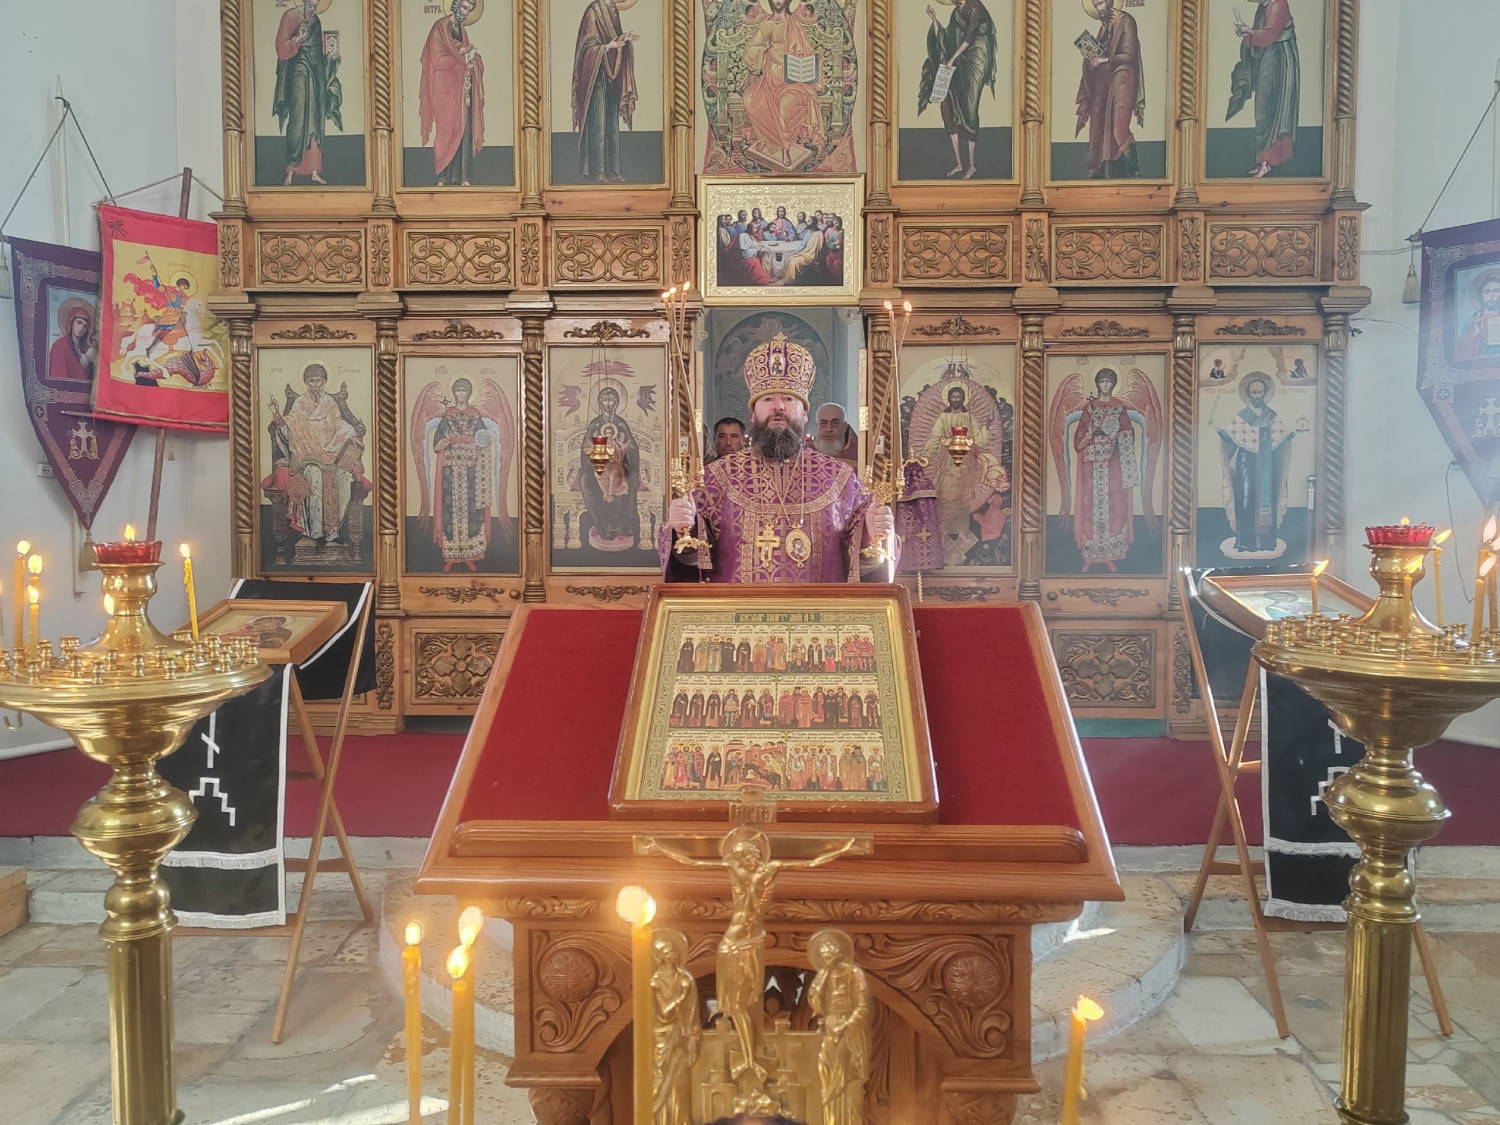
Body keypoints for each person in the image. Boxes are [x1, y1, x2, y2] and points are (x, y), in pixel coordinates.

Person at [661, 335, 894, 582]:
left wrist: (872, 533)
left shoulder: (842, 478)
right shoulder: (716, 477)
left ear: (805, 414)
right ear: (753, 414)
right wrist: (683, 527)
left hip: (819, 606)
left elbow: (865, 564)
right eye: (768, 399)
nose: (779, 406)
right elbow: (692, 562)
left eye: (789, 399)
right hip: (739, 606)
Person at [264, 364, 369, 549]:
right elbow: (289, 430)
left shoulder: (330, 402)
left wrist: (351, 434)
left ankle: (333, 531)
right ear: (306, 383)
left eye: (319, 381)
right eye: (311, 381)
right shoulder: (299, 404)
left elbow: (340, 423)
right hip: (307, 457)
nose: (315, 385)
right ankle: (315, 532)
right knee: (314, 476)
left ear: (325, 382)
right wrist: (276, 414)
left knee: (344, 478)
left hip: (332, 455)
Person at [414, 376, 508, 571]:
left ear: (469, 393)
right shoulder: (448, 415)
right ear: (454, 393)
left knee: (471, 510)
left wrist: (477, 444)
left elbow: (483, 439)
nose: (461, 394)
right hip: (450, 468)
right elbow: (437, 443)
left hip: (472, 468)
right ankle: (452, 556)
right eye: (458, 390)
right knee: (450, 510)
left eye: (464, 390)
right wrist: (446, 441)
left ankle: (469, 555)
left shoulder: (475, 415)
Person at [1063, 368, 1151, 571]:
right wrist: (1090, 434)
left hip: (1113, 466)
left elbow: (1129, 433)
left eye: (1108, 381)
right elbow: (1078, 441)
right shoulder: (1089, 408)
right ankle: (1090, 556)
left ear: (1113, 384)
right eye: (1102, 381)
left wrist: (1116, 436)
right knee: (1090, 510)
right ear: (1097, 384)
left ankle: (1110, 555)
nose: (1105, 385)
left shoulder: (1119, 408)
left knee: (1114, 508)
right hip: (1091, 468)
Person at [1216, 372, 1297, 554]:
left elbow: (1281, 436)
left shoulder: (1272, 416)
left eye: (1260, 392)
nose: (1257, 396)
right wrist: (1220, 432)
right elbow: (1231, 435)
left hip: (1267, 462)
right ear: (1248, 394)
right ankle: (1245, 542)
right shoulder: (1241, 416)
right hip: (1246, 461)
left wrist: (1291, 434)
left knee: (1267, 499)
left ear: (1265, 393)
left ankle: (1266, 542)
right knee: (1245, 498)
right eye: (1254, 392)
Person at [740, 0, 826, 171]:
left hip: (793, 80)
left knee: (785, 106)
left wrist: (815, 57)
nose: (778, 1)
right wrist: (764, 49)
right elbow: (749, 50)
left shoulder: (794, 24)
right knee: (750, 99)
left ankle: (785, 148)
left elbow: (807, 50)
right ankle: (765, 139)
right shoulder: (766, 25)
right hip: (769, 79)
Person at [919, 0, 998, 179]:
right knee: (951, 104)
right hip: (958, 60)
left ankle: (972, 166)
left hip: (977, 57)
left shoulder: (975, 8)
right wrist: (934, 20)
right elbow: (948, 35)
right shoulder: (956, 11)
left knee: (970, 108)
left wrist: (952, 59)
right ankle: (959, 163)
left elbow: (969, 38)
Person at [272, 0, 343, 185]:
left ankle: (314, 170)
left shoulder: (316, 20)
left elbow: (319, 47)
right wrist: (297, 38)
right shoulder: (290, 16)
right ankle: (291, 169)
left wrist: (331, 55)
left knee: (316, 118)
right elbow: (280, 48)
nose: (315, 4)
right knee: (298, 116)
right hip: (299, 70)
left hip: (316, 71)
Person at [1227, 0, 1300, 178]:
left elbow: (1268, 35)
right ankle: (1264, 161)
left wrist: (1250, 32)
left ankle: (1268, 163)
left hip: (1280, 62)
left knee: (1271, 107)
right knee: (1263, 108)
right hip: (1269, 58)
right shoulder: (1264, 6)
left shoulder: (1279, 4)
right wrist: (1247, 32)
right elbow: (1261, 35)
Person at [1074, 0, 1144, 179]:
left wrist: (1106, 59)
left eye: (1101, 3)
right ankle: (1101, 170)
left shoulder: (1126, 21)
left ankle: (1134, 172)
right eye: (1096, 5)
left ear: (1110, 2)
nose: (1099, 8)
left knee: (1119, 127)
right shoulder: (1103, 29)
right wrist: (1090, 57)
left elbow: (1129, 54)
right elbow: (1100, 56)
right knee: (1098, 121)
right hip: (1106, 80)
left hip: (1123, 77)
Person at [571, 0, 639, 182]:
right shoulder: (593, 11)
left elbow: (613, 39)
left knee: (611, 124)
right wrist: (607, 47)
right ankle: (598, 171)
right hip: (595, 76)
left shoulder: (611, 11)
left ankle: (614, 171)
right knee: (598, 123)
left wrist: (623, 40)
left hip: (610, 77)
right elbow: (586, 46)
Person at [418, 0, 485, 185]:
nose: (466, 12)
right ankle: (442, 176)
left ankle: (462, 176)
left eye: (469, 9)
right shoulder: (440, 27)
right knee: (446, 129)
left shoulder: (462, 30)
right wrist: (461, 53)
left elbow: (464, 57)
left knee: (463, 129)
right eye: (464, 7)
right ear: (455, 5)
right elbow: (438, 59)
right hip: (443, 87)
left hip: (460, 87)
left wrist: (471, 62)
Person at [578, 383, 641, 551]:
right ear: (599, 403)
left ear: (617, 403)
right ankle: (600, 522)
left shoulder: (620, 424)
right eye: (605, 400)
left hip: (619, 464)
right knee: (585, 480)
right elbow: (586, 445)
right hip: (597, 464)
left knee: (624, 480)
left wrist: (626, 448)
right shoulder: (595, 423)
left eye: (611, 399)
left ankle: (619, 526)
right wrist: (591, 448)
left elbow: (631, 446)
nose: (608, 403)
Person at [48, 300, 97, 383]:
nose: (81, 328)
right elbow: (59, 377)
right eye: (79, 322)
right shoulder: (59, 346)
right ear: (71, 321)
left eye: (85, 326)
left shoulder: (88, 348)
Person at [1456, 271, 1500, 360]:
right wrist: (1475, 335)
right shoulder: (1472, 321)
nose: (1491, 296)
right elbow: (1461, 353)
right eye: (1486, 292)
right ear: (1481, 295)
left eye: (1496, 291)